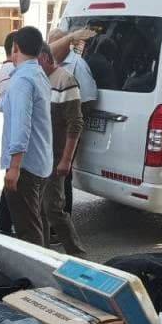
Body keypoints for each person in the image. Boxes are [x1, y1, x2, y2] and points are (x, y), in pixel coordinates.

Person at [0, 26, 53, 246]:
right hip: (41, 161)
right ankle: (46, 262)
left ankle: (37, 267)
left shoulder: (22, 80)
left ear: (15, 48)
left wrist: (14, 167)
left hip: (26, 167)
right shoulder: (38, 74)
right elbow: (10, 105)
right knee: (38, 221)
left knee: (28, 231)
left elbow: (21, 125)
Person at [38, 44, 87, 257]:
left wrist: (67, 159)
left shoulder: (65, 80)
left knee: (53, 208)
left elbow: (75, 123)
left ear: (45, 58)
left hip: (56, 155)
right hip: (39, 155)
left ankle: (78, 255)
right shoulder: (38, 79)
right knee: (39, 208)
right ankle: (43, 255)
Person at [49, 28, 98, 217]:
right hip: (51, 130)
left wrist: (69, 117)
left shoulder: (78, 65)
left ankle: (63, 215)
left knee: (63, 173)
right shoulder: (50, 65)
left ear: (66, 44)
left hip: (67, 129)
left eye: (56, 44)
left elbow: (89, 99)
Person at [0, 31, 17, 236]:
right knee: (13, 183)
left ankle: (4, 225)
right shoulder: (11, 70)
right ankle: (4, 225)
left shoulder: (8, 69)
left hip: (12, 136)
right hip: (16, 137)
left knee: (12, 184)